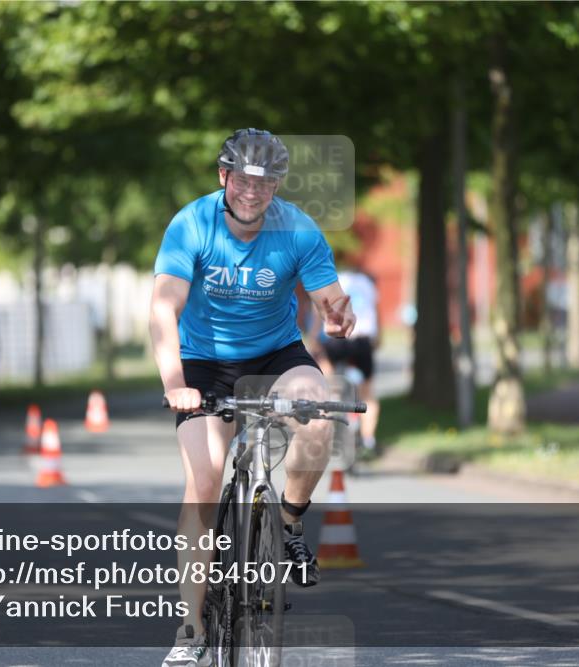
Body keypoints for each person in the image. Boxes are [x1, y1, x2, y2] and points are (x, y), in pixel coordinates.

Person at [150, 128, 356, 667]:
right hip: (204, 362)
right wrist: (176, 384)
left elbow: (330, 297)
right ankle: (191, 630)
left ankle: (287, 520)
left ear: (277, 187)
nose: (251, 192)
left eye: (264, 184)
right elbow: (162, 309)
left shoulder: (299, 229)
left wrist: (339, 314)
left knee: (317, 418)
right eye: (242, 180)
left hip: (276, 354)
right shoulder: (191, 224)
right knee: (206, 476)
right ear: (224, 177)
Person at [308, 261, 382, 457]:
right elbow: (376, 312)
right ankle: (368, 440)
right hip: (363, 340)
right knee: (368, 393)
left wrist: (314, 339)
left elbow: (319, 311)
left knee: (327, 377)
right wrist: (378, 339)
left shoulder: (331, 281)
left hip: (338, 340)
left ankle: (332, 405)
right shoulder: (367, 283)